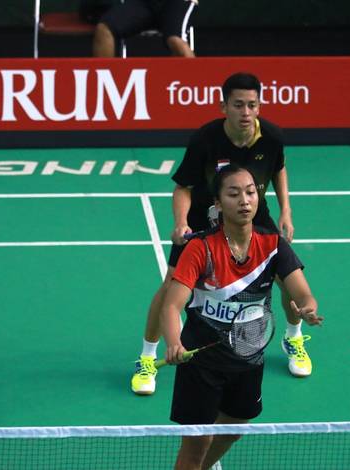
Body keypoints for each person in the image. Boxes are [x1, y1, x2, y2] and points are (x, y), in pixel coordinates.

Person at [131, 72, 314, 395]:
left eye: (252, 105)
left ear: (259, 106)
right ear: (223, 107)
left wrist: (286, 209)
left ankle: (294, 337)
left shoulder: (271, 136)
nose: (246, 112)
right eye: (238, 105)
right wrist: (181, 222)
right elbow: (183, 187)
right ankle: (147, 358)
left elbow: (278, 168)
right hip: (204, 216)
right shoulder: (206, 139)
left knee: (286, 278)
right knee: (172, 284)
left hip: (253, 214)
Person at [162, 165, 323, 469]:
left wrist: (307, 307)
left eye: (250, 192)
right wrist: (173, 342)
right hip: (201, 364)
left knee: (234, 429)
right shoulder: (200, 248)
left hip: (248, 359)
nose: (245, 200)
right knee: (197, 444)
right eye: (234, 194)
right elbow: (171, 305)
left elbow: (303, 293)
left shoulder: (272, 245)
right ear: (218, 203)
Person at [92, 0, 197, 58]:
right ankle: (104, 85)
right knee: (104, 29)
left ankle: (196, 87)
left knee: (177, 42)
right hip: (144, 3)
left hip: (177, 2)